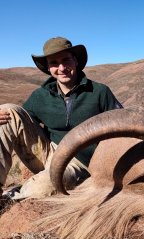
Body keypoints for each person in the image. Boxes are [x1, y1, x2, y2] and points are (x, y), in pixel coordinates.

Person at [0, 36, 122, 198]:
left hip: (79, 162)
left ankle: (17, 196)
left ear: (76, 61)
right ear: (49, 68)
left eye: (66, 60)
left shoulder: (100, 92)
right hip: (49, 153)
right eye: (54, 63)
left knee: (39, 190)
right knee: (7, 111)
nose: (62, 67)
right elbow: (22, 123)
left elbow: (121, 125)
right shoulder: (40, 95)